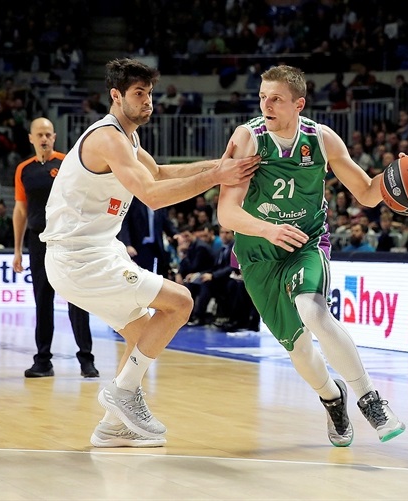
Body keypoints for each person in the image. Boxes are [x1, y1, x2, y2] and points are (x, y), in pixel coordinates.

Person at [38, 58, 259, 448]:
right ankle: (121, 394)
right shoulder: (107, 138)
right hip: (79, 256)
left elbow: (159, 174)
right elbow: (153, 197)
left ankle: (113, 426)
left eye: (150, 93)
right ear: (116, 95)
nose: (148, 102)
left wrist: (225, 166)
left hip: (95, 251)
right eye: (139, 94)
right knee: (181, 302)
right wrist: (215, 178)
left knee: (142, 334)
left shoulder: (128, 139)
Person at [216, 65, 407, 447]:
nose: (265, 105)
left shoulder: (321, 139)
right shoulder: (248, 138)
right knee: (299, 348)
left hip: (306, 242)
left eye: (276, 99)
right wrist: (269, 229)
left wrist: (400, 175)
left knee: (313, 311)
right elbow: (226, 213)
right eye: (262, 97)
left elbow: (367, 193)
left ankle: (371, 400)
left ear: (298, 104)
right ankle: (333, 399)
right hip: (258, 255)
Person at [12, 117, 99, 379]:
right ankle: (43, 361)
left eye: (48, 134)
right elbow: (20, 209)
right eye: (39, 134)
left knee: (77, 299)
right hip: (38, 241)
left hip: (68, 241)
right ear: (31, 138)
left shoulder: (67, 163)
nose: (44, 138)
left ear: (54, 137)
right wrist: (17, 249)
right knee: (43, 301)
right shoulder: (24, 169)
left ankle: (86, 360)